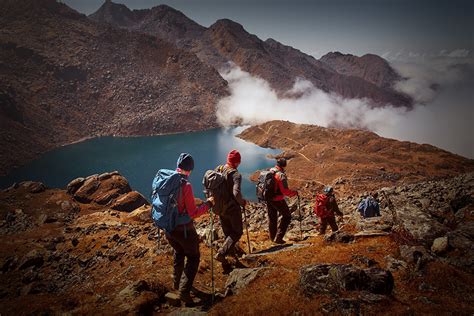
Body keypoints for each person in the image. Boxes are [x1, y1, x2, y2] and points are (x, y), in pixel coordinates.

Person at [165, 153, 214, 304]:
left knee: (179, 252)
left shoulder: (167, 180)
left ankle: (176, 282)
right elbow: (193, 213)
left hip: (168, 229)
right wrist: (209, 204)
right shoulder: (185, 185)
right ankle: (184, 292)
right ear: (190, 169)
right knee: (193, 257)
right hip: (183, 230)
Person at [214, 149, 247, 264]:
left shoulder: (219, 169)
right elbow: (236, 193)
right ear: (236, 162)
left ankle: (230, 256)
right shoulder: (236, 174)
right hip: (232, 209)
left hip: (220, 208)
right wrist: (242, 202)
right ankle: (222, 253)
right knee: (237, 232)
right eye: (239, 161)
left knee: (228, 233)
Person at [266, 158, 298, 244]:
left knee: (272, 219)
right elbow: (285, 191)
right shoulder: (281, 175)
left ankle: (272, 239)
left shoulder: (271, 170)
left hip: (269, 199)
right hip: (278, 199)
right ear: (284, 165)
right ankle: (278, 238)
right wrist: (294, 193)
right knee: (287, 216)